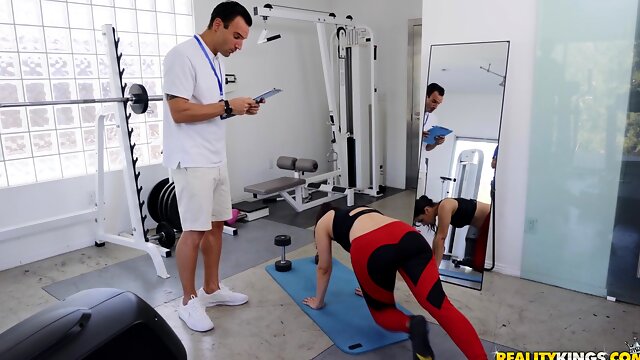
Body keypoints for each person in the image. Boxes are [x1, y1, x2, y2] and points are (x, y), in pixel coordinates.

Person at [162, 1, 261, 332]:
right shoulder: (182, 55)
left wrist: (236, 110)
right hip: (191, 159)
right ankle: (188, 302)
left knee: (217, 224)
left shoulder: (216, 61)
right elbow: (180, 111)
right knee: (193, 231)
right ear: (217, 24)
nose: (239, 45)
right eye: (236, 36)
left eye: (243, 39)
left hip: (216, 156)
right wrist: (226, 105)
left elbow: (211, 108)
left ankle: (212, 289)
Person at [304, 204, 488, 360]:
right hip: (408, 236)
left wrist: (318, 302)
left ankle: (413, 325)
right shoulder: (362, 209)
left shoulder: (322, 223)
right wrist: (368, 288)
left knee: (383, 314)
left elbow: (324, 267)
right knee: (440, 305)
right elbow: (389, 243)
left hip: (371, 248)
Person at [413, 196, 491, 272]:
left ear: (427, 210)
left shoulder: (444, 205)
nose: (423, 224)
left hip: (491, 219)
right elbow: (437, 238)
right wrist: (431, 263)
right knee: (478, 263)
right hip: (484, 227)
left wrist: (434, 270)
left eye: (421, 220)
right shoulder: (441, 208)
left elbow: (441, 238)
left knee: (480, 263)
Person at [423, 83, 446, 151]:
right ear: (425, 96)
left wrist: (436, 142)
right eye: (434, 101)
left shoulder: (434, 119)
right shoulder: (409, 113)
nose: (435, 106)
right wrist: (416, 136)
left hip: (420, 159)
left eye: (438, 103)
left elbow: (427, 148)